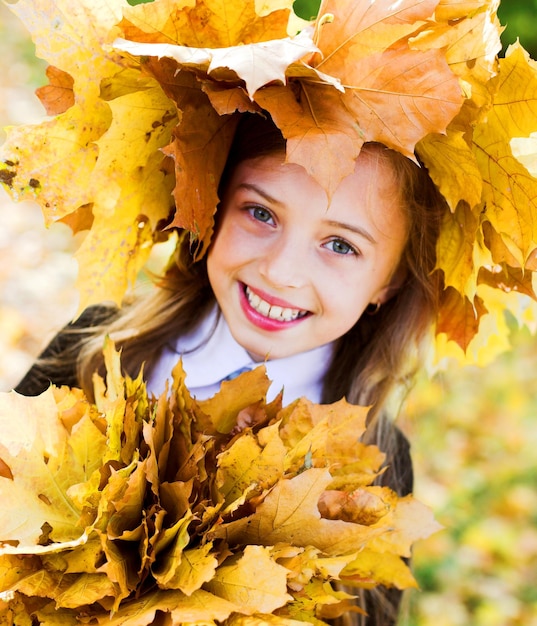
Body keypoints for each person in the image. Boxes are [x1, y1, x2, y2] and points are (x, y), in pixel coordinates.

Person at [14, 112, 447, 625]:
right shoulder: (99, 348)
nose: (280, 272)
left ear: (389, 283)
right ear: (211, 205)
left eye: (340, 245)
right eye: (261, 213)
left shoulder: (378, 461)